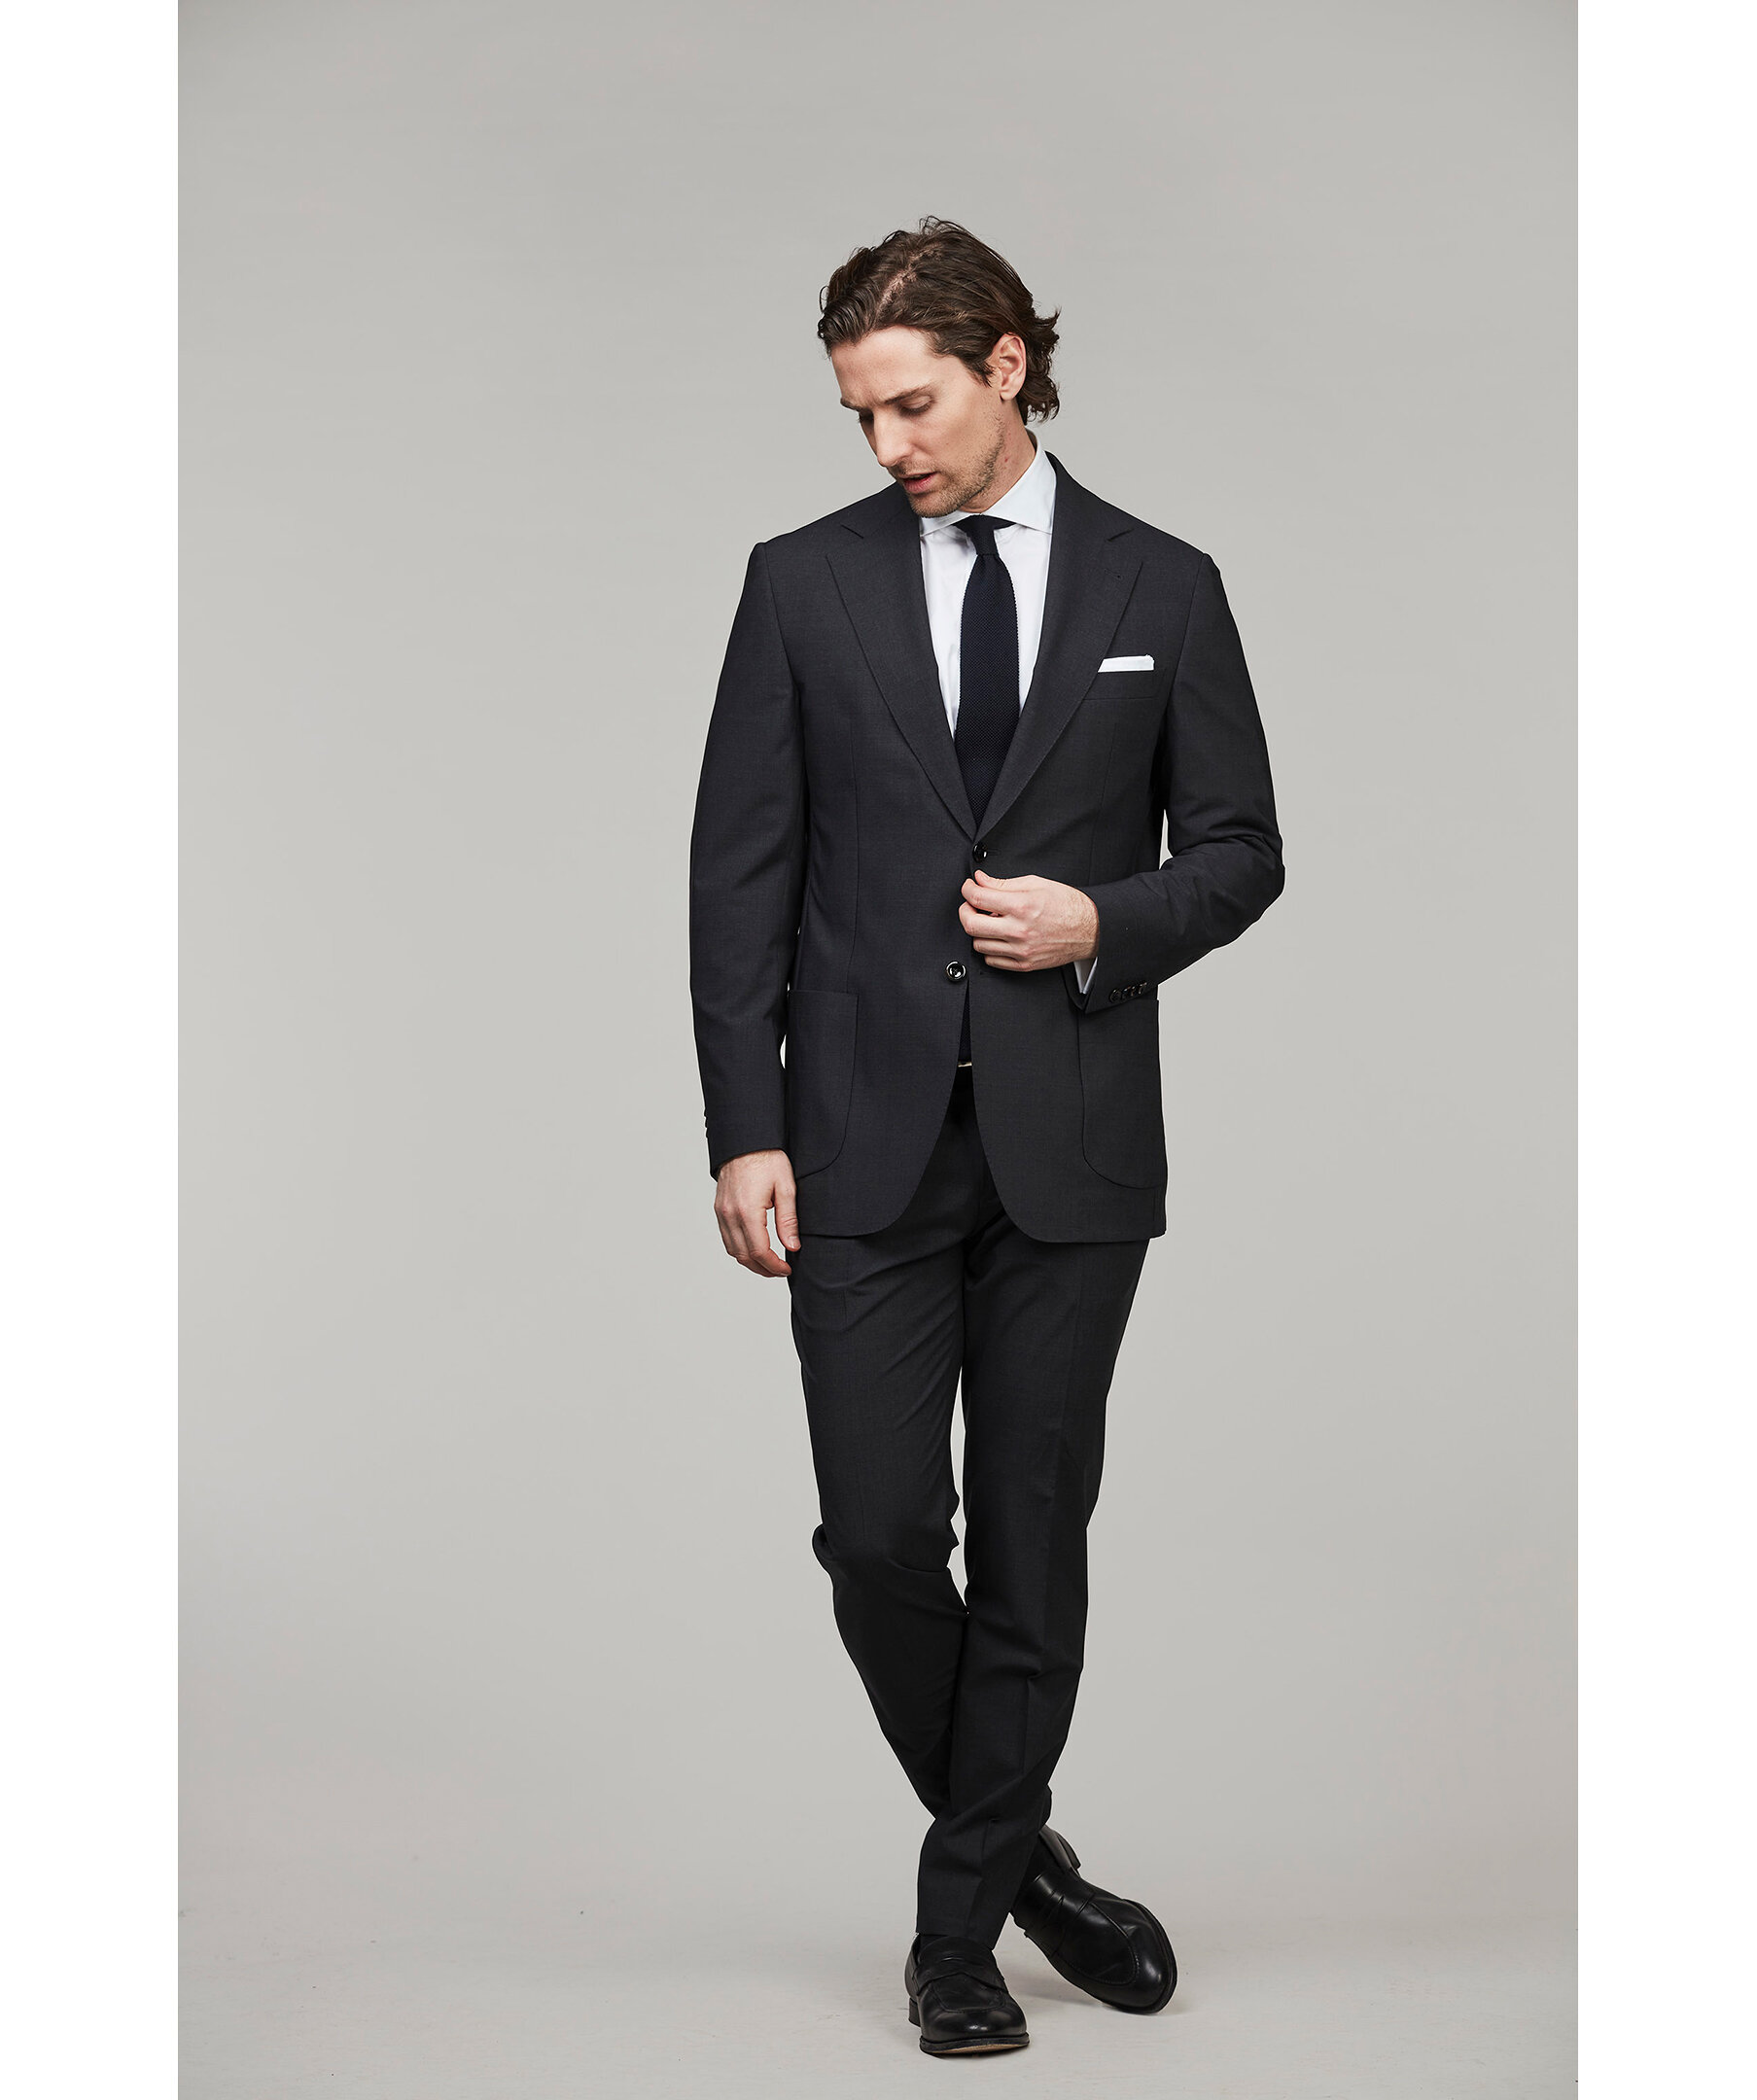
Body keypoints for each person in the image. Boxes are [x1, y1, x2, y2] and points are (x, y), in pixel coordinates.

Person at [687, 219, 1283, 2058]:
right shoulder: (802, 585)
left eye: (914, 405)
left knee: (1033, 1534)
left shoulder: (1164, 585)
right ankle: (1034, 1868)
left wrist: (1105, 921)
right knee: (880, 1536)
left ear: (1008, 365)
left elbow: (1243, 851)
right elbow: (739, 880)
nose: (889, 446)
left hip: (1071, 1146)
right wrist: (744, 1125)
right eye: (860, 417)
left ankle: (955, 1939)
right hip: (855, 1144)